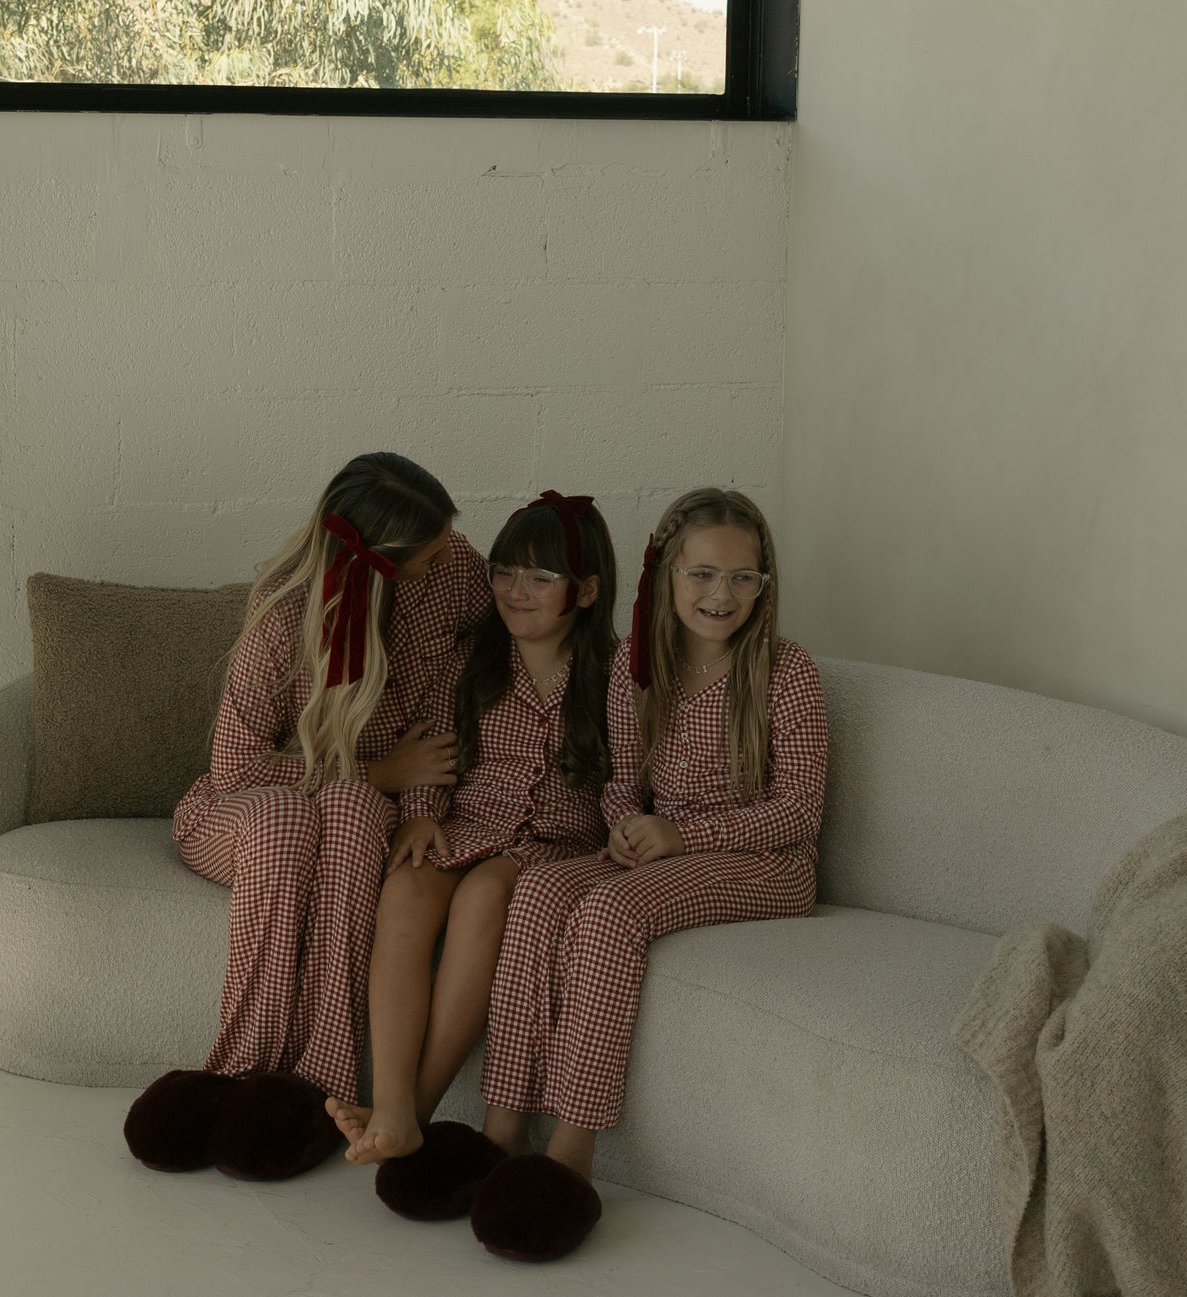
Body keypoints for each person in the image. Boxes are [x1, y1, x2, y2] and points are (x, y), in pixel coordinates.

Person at [384, 486, 829, 1261]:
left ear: (764, 583)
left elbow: (800, 810)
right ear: (667, 574)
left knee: (608, 913)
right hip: (666, 846)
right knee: (539, 890)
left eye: (742, 577)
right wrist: (626, 825)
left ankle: (571, 1150)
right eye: (701, 574)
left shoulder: (786, 671)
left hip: (765, 861)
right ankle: (502, 1126)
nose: (721, 594)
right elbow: (624, 781)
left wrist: (683, 834)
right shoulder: (635, 665)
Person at [122, 451, 489, 1182]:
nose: (450, 558)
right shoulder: (284, 614)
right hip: (242, 813)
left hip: (354, 809)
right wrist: (378, 772)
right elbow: (237, 767)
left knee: (352, 811)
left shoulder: (454, 578)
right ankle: (236, 1072)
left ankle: (319, 1083)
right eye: (430, 552)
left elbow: (443, 713)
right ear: (383, 562)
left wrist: (417, 807)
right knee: (288, 820)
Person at [325, 492, 618, 1189]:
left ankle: (414, 1111)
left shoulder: (612, 675)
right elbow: (432, 745)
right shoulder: (473, 663)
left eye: (540, 577)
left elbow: (630, 774)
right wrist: (422, 812)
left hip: (553, 847)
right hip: (469, 824)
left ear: (586, 590)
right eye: (504, 571)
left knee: (485, 894)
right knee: (407, 883)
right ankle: (393, 1098)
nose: (516, 591)